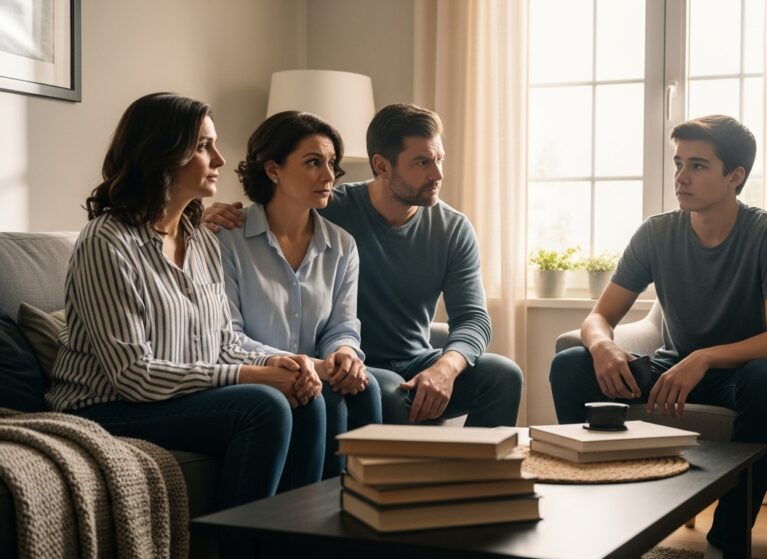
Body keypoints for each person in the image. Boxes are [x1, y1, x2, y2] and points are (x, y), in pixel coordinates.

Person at [46, 92, 326, 512]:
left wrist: (283, 362)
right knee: (263, 405)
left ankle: (296, 545)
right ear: (161, 154)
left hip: (174, 399)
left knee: (307, 397)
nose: (219, 159)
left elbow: (223, 341)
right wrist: (249, 377)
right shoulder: (107, 241)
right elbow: (133, 375)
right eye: (202, 146)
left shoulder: (200, 240)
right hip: (105, 406)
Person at [548, 115, 767, 558]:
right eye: (678, 163)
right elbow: (599, 317)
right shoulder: (656, 232)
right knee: (570, 364)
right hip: (673, 365)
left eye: (698, 166)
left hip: (741, 374)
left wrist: (704, 357)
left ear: (735, 176)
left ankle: (727, 540)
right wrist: (603, 345)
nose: (680, 177)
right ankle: (602, 513)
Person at [205, 104, 522, 427]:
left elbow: (473, 318)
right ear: (382, 166)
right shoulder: (329, 209)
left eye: (439, 159)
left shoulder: (452, 228)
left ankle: (478, 476)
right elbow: (277, 213)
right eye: (422, 162)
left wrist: (445, 368)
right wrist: (206, 216)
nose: (437, 174)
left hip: (413, 359)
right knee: (386, 391)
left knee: (503, 376)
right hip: (348, 365)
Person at [217, 111, 382, 478]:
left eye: (331, 164)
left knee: (363, 387)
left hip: (315, 370)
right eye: (313, 163)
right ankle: (306, 524)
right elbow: (228, 334)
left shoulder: (341, 245)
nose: (329, 176)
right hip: (255, 373)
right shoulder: (226, 238)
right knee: (324, 396)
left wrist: (343, 354)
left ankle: (362, 517)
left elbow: (341, 324)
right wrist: (308, 365)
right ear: (273, 169)